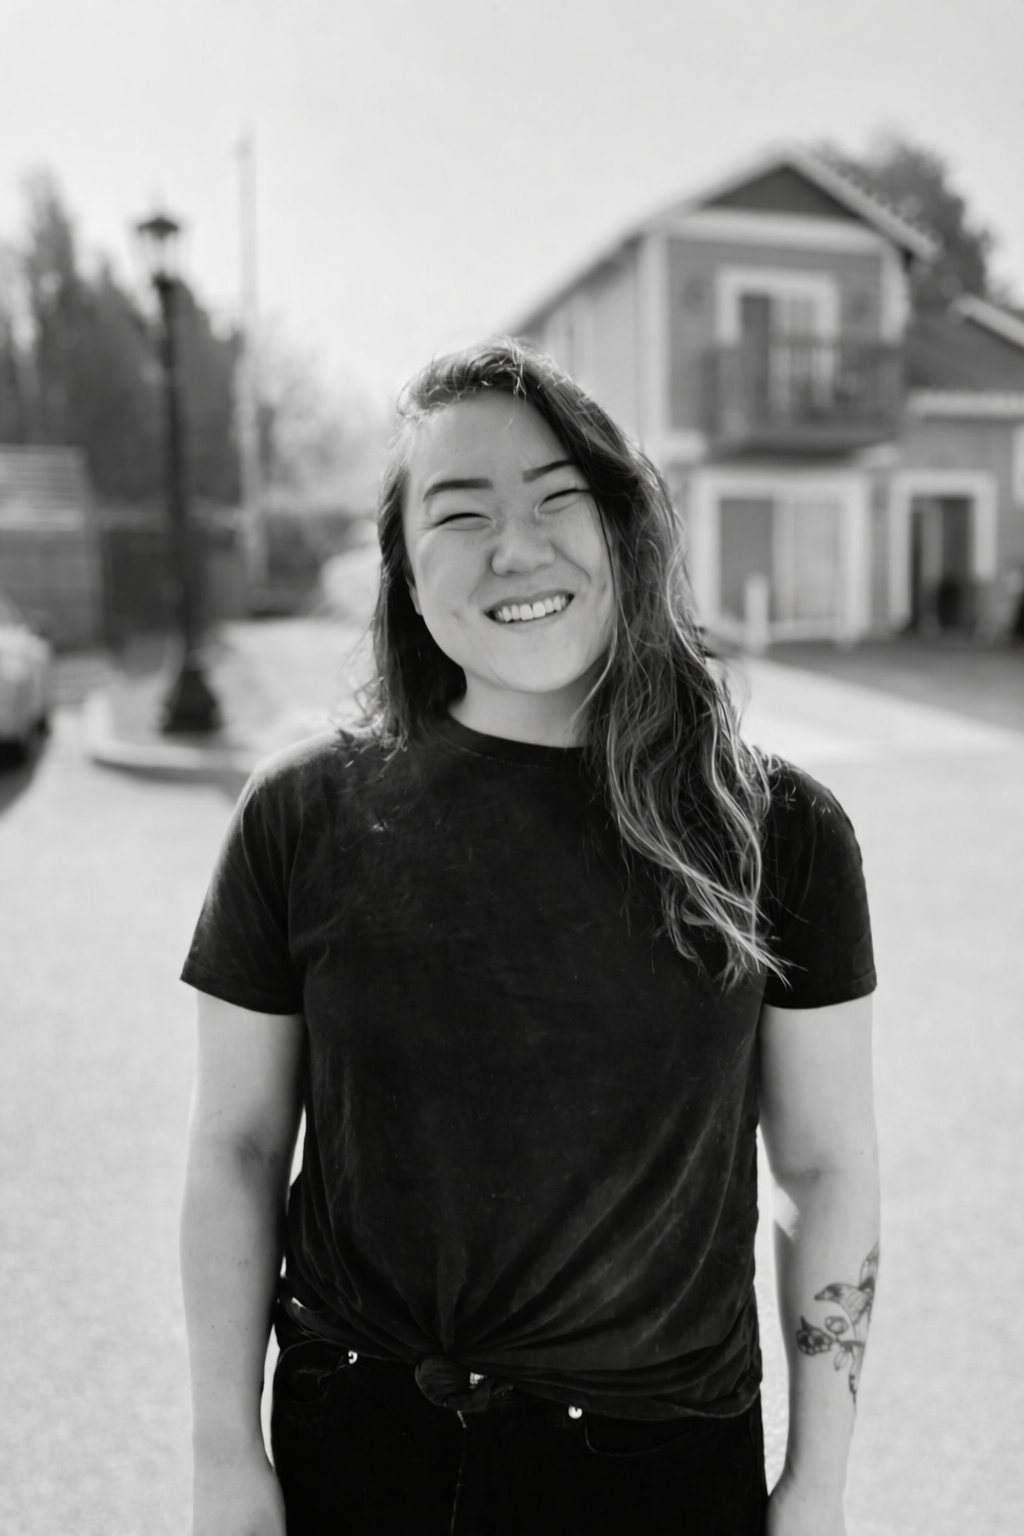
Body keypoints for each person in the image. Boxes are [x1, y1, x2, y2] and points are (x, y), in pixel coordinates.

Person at [180, 339, 879, 1536]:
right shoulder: (300, 814)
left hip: (657, 1469)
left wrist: (816, 1488)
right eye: (460, 514)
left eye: (560, 499)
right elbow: (240, 1148)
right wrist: (224, 1458)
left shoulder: (777, 830)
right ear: (403, 571)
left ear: (624, 528)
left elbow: (822, 1169)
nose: (518, 546)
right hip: (360, 1453)